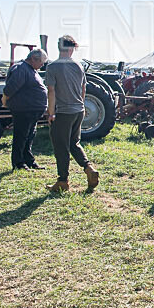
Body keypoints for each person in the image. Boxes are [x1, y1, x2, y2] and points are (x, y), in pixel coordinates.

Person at [44, 36, 99, 192]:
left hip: (63, 112)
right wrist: (79, 105)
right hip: (78, 110)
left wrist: (51, 112)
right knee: (74, 143)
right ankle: (88, 168)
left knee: (61, 147)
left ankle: (62, 182)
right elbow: (83, 89)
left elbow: (51, 91)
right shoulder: (78, 66)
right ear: (72, 48)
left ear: (58, 47)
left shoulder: (53, 67)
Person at [2, 49, 48, 170]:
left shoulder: (30, 69)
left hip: (31, 110)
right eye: (41, 62)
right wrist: (5, 100)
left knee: (29, 136)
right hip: (24, 109)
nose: (42, 65)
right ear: (33, 59)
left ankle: (29, 160)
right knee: (21, 136)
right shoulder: (21, 68)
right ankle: (18, 163)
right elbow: (10, 87)